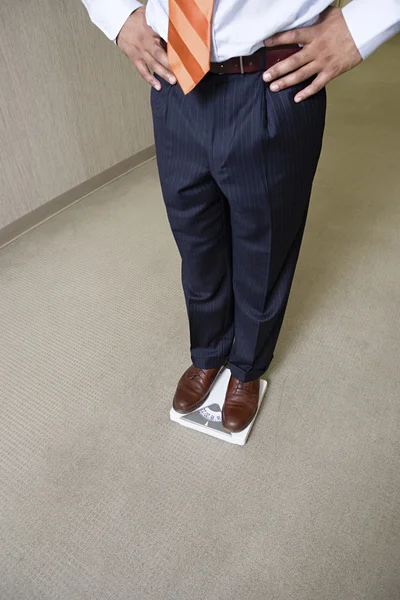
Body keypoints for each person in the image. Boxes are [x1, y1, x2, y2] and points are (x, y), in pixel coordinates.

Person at [81, 0, 400, 433]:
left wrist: (364, 25)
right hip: (176, 77)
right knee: (195, 239)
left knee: (264, 241)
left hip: (272, 78)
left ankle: (247, 365)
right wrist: (116, 15)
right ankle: (208, 352)